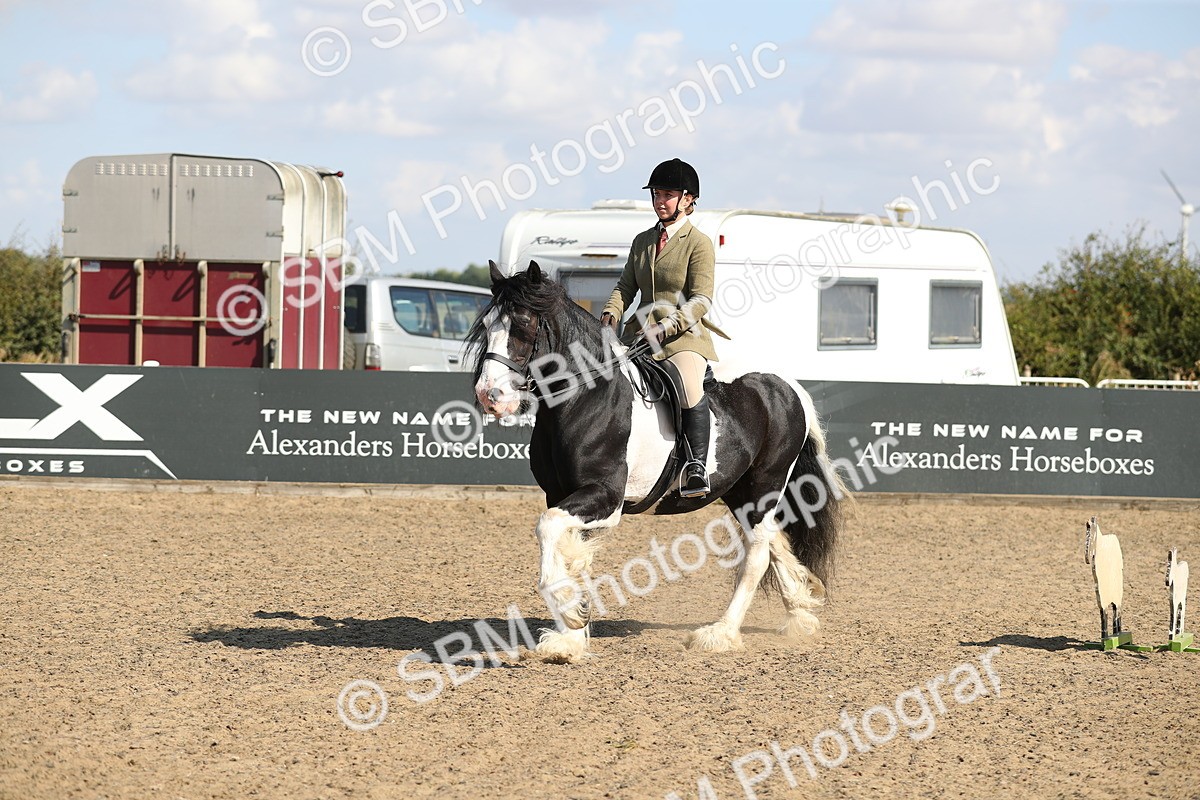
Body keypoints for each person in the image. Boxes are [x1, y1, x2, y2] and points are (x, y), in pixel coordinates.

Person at [600, 158, 724, 498]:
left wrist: (668, 326)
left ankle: (695, 466)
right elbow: (626, 286)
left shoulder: (698, 243)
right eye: (656, 194)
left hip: (684, 339)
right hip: (638, 337)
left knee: (687, 385)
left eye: (667, 194)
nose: (659, 201)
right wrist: (612, 311)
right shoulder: (642, 241)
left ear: (687, 200)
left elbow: (700, 300)